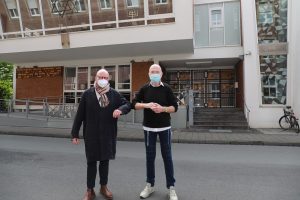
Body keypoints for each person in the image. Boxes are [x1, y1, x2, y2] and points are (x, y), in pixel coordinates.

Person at [71, 69, 131, 200]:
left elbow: (127, 104)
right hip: (91, 133)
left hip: (108, 133)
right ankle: (89, 190)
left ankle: (103, 187)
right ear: (95, 78)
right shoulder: (87, 94)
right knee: (91, 162)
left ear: (108, 79)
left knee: (105, 161)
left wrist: (120, 110)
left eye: (105, 77)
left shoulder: (114, 94)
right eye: (100, 77)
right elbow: (80, 115)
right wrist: (75, 133)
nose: (103, 79)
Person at [132, 64, 179, 200]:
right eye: (152, 71)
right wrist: (146, 105)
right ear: (148, 73)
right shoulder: (144, 88)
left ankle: (171, 187)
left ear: (161, 74)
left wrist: (163, 109)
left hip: (164, 128)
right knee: (149, 158)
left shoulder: (167, 89)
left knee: (167, 157)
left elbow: (174, 107)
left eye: (157, 71)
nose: (154, 73)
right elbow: (134, 104)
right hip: (149, 129)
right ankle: (150, 185)